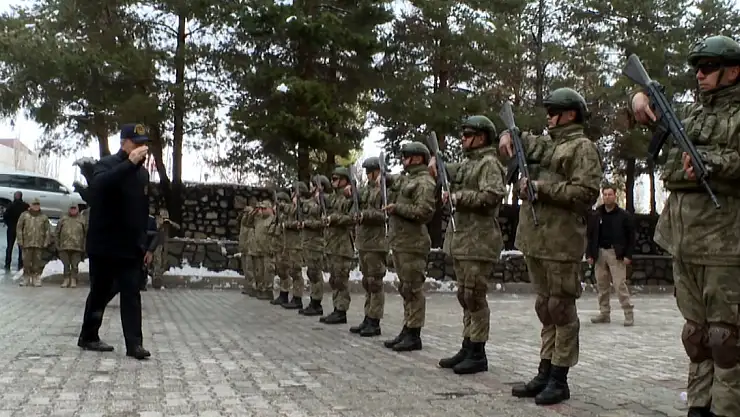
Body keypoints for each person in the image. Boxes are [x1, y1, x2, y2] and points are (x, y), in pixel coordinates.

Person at [630, 35, 740, 417]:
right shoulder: (692, 115)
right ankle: (699, 405)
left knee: (726, 339)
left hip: (726, 242)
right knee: (696, 335)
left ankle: (727, 409)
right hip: (683, 240)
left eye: (708, 67)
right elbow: (667, 160)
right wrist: (639, 100)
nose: (699, 74)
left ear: (733, 71)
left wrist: (712, 163)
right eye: (697, 67)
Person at [499, 88, 602, 405]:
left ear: (571, 114)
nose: (549, 117)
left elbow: (586, 192)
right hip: (537, 239)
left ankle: (560, 378)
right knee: (545, 308)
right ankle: (545, 370)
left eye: (554, 112)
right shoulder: (548, 143)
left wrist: (540, 188)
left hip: (561, 241)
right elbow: (519, 138)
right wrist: (506, 135)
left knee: (561, 309)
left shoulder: (582, 148)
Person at [434, 115, 507, 375]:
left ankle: (478, 351)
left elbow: (492, 195)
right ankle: (467, 345)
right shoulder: (469, 164)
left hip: (480, 240)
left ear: (481, 137)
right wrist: (436, 162)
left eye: (467, 135)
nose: (462, 139)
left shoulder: (489, 164)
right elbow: (449, 170)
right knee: (465, 295)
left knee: (475, 295)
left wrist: (458, 197)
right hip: (464, 239)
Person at [77, 123, 152, 360]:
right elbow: (99, 187)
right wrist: (129, 164)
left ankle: (134, 344)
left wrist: (145, 243)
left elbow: (142, 210)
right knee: (100, 292)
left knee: (131, 293)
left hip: (130, 246)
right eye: (136, 143)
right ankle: (88, 336)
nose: (141, 148)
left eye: (144, 144)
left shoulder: (143, 174)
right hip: (105, 244)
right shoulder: (106, 164)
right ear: (124, 143)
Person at [382, 142, 436, 352]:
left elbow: (424, 211)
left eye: (406, 156)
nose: (403, 160)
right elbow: (393, 180)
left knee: (413, 289)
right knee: (406, 288)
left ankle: (414, 334)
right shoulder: (408, 179)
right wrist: (383, 176)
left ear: (417, 158)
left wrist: (397, 208)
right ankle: (407, 327)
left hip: (414, 244)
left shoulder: (424, 181)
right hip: (402, 242)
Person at [349, 157, 388, 337]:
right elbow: (355, 208)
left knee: (375, 282)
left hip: (377, 242)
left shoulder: (384, 190)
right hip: (364, 241)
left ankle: (375, 320)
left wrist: (365, 215)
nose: (369, 175)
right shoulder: (366, 191)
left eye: (371, 171)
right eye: (367, 172)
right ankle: (368, 316)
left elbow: (384, 214)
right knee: (367, 282)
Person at [586, 185, 636, 326]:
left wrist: (628, 255)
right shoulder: (596, 215)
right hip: (599, 253)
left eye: (610, 194)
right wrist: (589, 253)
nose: (607, 197)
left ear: (615, 196)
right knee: (602, 285)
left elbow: (631, 237)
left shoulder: (624, 216)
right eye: (605, 195)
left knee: (620, 285)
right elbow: (589, 235)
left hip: (616, 254)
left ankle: (628, 313)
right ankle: (604, 313)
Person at [318, 167, 355, 325]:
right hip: (332, 244)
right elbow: (322, 202)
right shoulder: (333, 198)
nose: (332, 182)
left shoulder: (350, 197)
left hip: (342, 244)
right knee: (334, 279)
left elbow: (352, 218)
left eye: (336, 179)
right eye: (332, 179)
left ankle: (341, 310)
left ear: (345, 180)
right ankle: (337, 308)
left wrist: (334, 219)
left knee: (341, 279)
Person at [298, 176, 329, 317]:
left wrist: (307, 224)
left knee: (315, 273)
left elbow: (323, 222)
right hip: (308, 242)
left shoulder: (324, 201)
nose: (310, 188)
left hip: (317, 243)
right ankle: (313, 300)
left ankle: (317, 303)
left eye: (313, 185)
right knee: (311, 273)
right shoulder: (311, 201)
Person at [281, 182, 308, 310]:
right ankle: (294, 297)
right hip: (290, 243)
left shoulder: (302, 205)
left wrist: (287, 225)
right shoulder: (294, 206)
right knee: (292, 270)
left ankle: (298, 298)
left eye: (293, 191)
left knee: (296, 272)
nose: (291, 194)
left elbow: (299, 223)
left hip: (297, 244)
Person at [16, 198, 51, 287]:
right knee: (26, 262)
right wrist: (20, 240)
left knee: (37, 262)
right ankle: (26, 277)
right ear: (30, 205)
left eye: (37, 204)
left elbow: (47, 230)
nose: (36, 206)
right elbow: (19, 228)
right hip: (27, 243)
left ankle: (36, 277)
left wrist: (46, 241)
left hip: (39, 243)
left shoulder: (43, 217)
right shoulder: (24, 215)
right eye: (34, 204)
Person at [270, 191, 293, 306]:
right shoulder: (278, 216)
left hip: (285, 246)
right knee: (280, 270)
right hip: (278, 246)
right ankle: (282, 294)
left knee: (284, 270)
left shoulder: (287, 214)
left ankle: (285, 294)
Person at [56, 203, 87, 288]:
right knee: (66, 264)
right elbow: (57, 232)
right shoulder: (63, 218)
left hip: (77, 247)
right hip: (64, 246)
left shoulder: (82, 219)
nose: (73, 210)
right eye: (71, 208)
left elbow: (86, 234)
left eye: (74, 209)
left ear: (77, 209)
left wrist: (84, 246)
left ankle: (73, 279)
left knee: (75, 265)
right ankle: (66, 279)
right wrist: (57, 245)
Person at [4, 191, 29, 270]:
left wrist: (8, 224)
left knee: (9, 247)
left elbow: (5, 216)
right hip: (21, 229)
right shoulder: (25, 206)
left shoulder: (10, 205)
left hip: (11, 228)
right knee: (21, 248)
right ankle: (20, 264)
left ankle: (7, 264)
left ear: (14, 196)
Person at [140, 214, 160, 291]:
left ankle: (142, 283)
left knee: (143, 266)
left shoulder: (150, 220)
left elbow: (155, 235)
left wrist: (150, 250)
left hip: (145, 247)